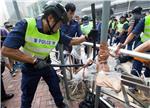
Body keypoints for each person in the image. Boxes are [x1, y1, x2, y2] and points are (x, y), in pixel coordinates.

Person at [1, 1, 97, 108]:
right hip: (30, 68)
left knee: (55, 87)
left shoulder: (56, 32)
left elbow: (71, 41)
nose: (60, 28)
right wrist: (34, 60)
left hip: (46, 65)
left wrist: (87, 37)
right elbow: (6, 50)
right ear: (50, 18)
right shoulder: (26, 25)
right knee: (27, 96)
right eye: (59, 24)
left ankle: (60, 105)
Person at [116, 15, 150, 80]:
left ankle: (135, 82)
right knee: (138, 62)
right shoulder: (146, 19)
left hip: (142, 47)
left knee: (137, 62)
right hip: (142, 47)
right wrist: (124, 44)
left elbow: (133, 33)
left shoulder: (146, 19)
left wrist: (125, 44)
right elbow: (133, 33)